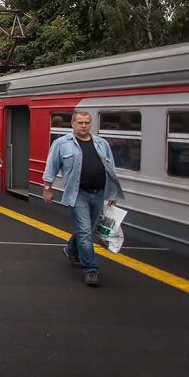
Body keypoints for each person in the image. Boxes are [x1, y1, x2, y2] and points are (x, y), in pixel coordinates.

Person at [42, 110, 124, 287]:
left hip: (99, 193)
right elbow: (51, 166)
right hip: (78, 194)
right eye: (80, 122)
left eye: (87, 122)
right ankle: (91, 269)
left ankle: (71, 249)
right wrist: (47, 188)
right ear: (72, 123)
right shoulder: (61, 144)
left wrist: (112, 193)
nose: (84, 126)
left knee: (85, 229)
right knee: (85, 232)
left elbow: (111, 170)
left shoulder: (101, 144)